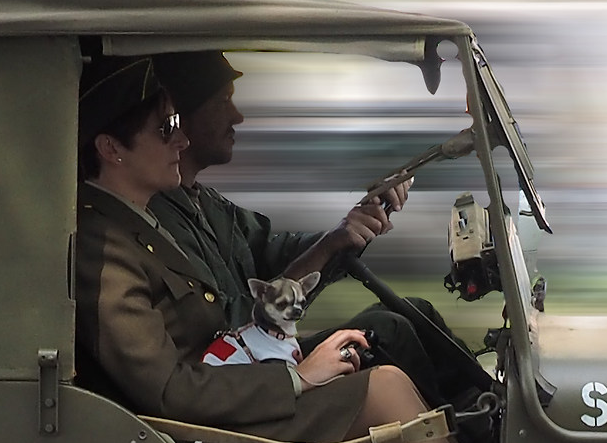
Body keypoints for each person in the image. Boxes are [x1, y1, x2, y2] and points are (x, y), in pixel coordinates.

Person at [73, 57, 485, 443]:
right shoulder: (102, 246)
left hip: (226, 406)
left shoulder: (142, 221)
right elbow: (169, 391)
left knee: (386, 366)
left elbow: (264, 266)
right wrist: (298, 379)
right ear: (110, 148)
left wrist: (343, 236)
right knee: (384, 387)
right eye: (167, 128)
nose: (181, 139)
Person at [149, 51, 468, 407]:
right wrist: (330, 245)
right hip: (246, 376)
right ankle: (463, 436)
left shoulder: (207, 204)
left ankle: (482, 415)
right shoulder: (160, 222)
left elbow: (279, 251)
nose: (237, 116)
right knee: (389, 331)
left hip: (264, 356)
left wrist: (351, 227)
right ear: (181, 118)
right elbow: (228, 321)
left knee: (416, 311)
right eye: (224, 101)